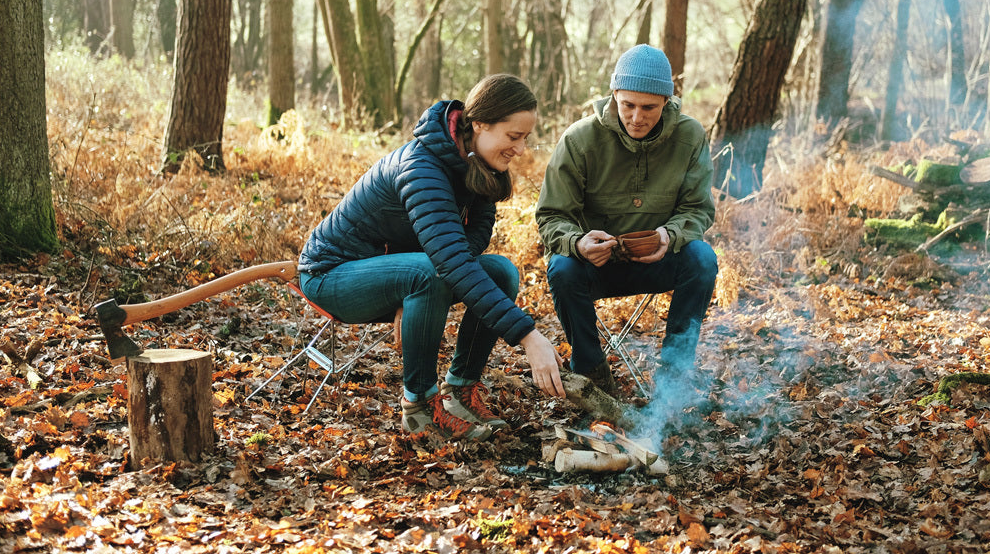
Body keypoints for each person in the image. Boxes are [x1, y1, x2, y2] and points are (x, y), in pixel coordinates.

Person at [298, 74, 565, 441]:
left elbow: (468, 247)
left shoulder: (477, 164)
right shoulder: (422, 168)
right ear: (479, 124)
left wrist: (411, 285)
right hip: (331, 275)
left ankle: (460, 392)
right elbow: (449, 262)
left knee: (500, 271)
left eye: (525, 138)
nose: (520, 150)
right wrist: (529, 337)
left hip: (399, 273)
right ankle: (419, 408)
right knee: (431, 271)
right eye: (514, 136)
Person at [535, 44, 718, 398]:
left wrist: (669, 235)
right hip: (594, 268)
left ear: (666, 101)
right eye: (628, 105)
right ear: (614, 94)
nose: (637, 117)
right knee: (561, 268)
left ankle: (674, 376)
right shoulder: (579, 140)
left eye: (649, 107)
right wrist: (578, 243)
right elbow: (551, 215)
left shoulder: (690, 136)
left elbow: (698, 208)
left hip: (657, 261)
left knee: (702, 259)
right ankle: (592, 376)